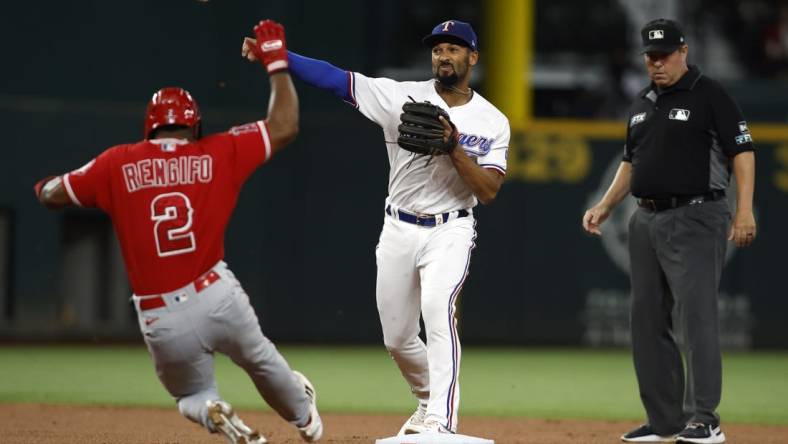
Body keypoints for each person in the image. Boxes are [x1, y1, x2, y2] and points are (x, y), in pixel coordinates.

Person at [34, 20, 322, 444]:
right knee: (261, 359)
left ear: (149, 126)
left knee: (191, 393)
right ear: (195, 126)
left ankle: (211, 410)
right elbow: (284, 126)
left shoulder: (117, 163)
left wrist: (48, 187)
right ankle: (307, 422)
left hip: (160, 315)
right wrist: (277, 61)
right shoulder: (220, 150)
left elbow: (53, 194)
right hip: (217, 294)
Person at [243, 20, 509, 435]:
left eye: (454, 49)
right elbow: (336, 80)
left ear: (472, 57)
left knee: (439, 311)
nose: (444, 55)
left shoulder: (492, 121)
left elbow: (489, 191)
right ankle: (427, 400)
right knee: (398, 338)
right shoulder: (401, 96)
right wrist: (277, 56)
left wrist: (454, 147)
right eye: (438, 49)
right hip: (399, 226)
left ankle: (441, 422)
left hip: (450, 229)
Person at [582, 19, 756, 444]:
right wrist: (606, 205)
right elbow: (631, 161)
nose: (656, 63)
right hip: (645, 220)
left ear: (683, 51)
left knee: (696, 318)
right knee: (645, 320)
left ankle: (705, 418)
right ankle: (665, 421)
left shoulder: (709, 93)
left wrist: (744, 211)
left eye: (664, 55)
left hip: (697, 216)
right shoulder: (642, 101)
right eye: (650, 56)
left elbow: (743, 151)